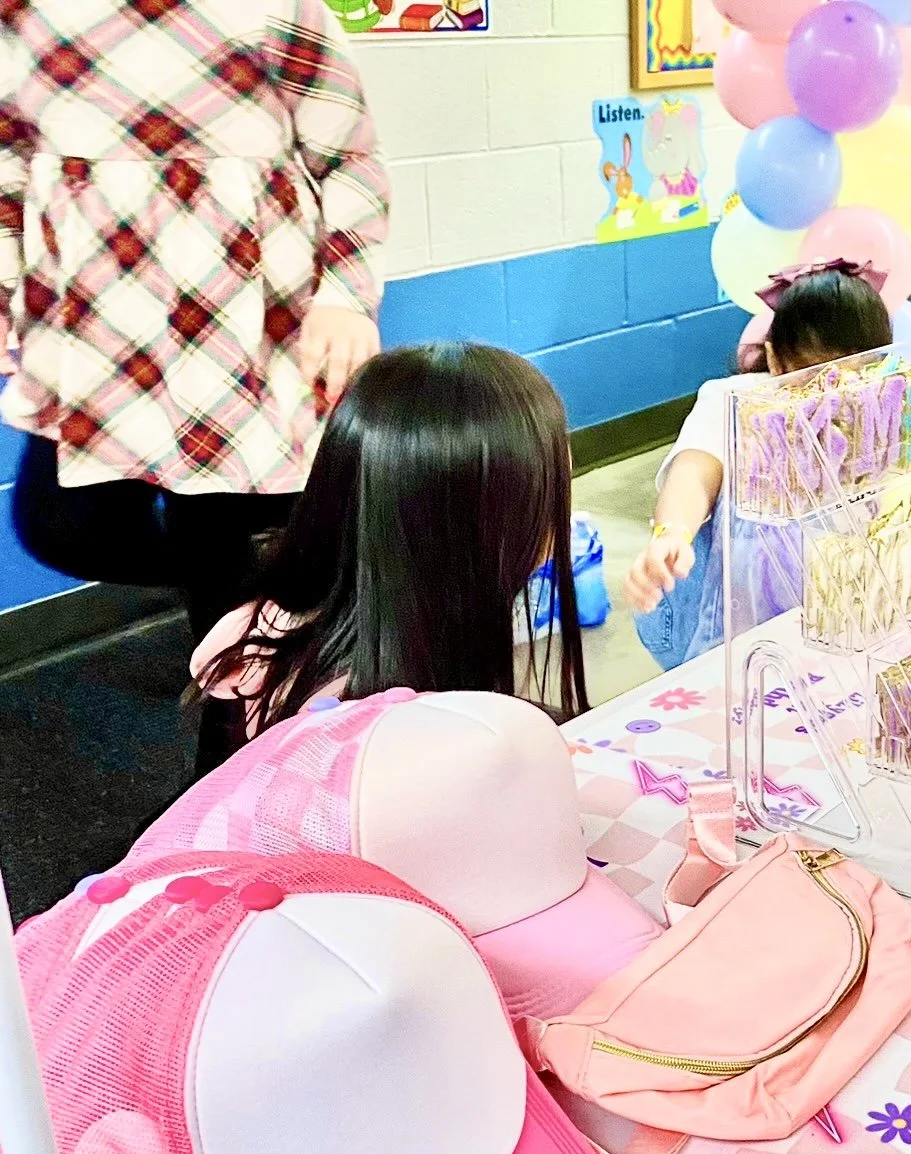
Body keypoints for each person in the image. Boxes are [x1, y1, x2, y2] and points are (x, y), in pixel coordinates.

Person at [0, 0, 389, 761]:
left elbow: (348, 156)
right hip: (99, 327)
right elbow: (6, 171)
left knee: (224, 545)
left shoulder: (278, 7)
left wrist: (346, 292)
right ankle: (283, 592)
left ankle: (245, 759)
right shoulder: (27, 16)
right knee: (59, 522)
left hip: (244, 330)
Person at [190, 343, 590, 736]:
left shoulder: (282, 621)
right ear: (479, 528)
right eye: (554, 485)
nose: (562, 508)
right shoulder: (398, 725)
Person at [624, 263, 894, 670]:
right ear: (774, 361)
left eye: (853, 377)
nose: (829, 396)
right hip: (725, 623)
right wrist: (672, 533)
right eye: (810, 377)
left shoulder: (884, 409)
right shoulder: (735, 403)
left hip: (830, 617)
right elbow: (695, 471)